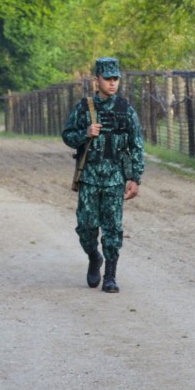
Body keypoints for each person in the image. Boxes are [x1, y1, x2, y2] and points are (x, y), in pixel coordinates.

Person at [61, 57, 144, 293]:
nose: (112, 83)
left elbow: (137, 145)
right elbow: (67, 136)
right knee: (86, 228)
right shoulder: (84, 108)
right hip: (89, 177)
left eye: (115, 78)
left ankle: (110, 276)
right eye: (107, 78)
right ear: (96, 80)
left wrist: (135, 178)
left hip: (115, 179)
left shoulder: (126, 110)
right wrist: (85, 133)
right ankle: (93, 257)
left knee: (112, 229)